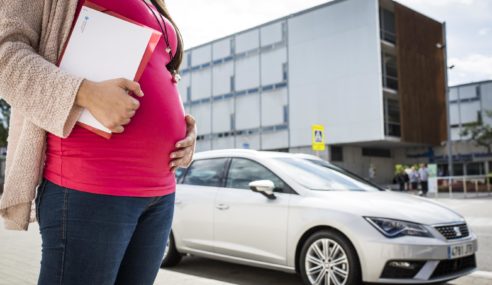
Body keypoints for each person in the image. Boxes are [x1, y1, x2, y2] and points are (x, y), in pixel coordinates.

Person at [0, 1, 197, 284]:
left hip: (159, 194)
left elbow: (159, 70)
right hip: (90, 186)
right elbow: (5, 52)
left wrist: (184, 130)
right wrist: (85, 93)